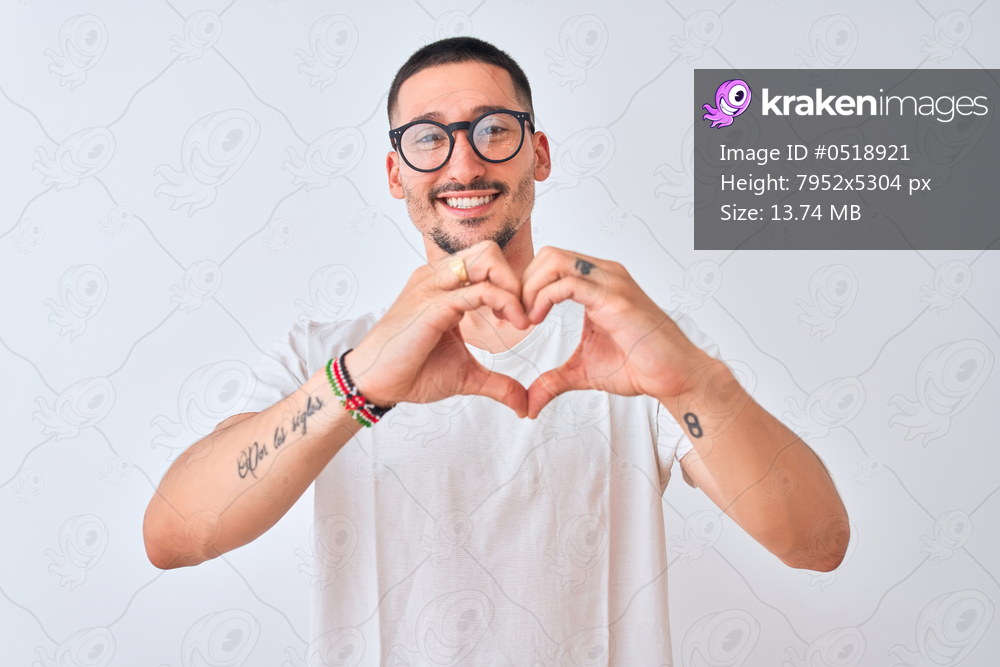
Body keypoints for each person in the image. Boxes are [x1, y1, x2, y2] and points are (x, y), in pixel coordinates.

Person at [143, 37, 849, 665]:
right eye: (428, 138)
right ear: (396, 175)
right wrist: (357, 387)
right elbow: (173, 535)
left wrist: (694, 384)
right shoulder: (326, 357)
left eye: (493, 130)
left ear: (537, 154)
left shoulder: (634, 345)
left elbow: (816, 543)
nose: (464, 160)